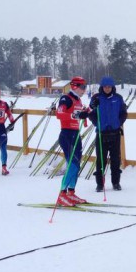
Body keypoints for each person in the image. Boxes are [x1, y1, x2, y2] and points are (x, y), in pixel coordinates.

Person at [55, 76, 91, 206]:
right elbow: (59, 114)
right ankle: (62, 194)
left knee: (77, 165)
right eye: (82, 87)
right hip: (66, 134)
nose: (84, 90)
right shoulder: (66, 98)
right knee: (73, 164)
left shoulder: (79, 101)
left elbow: (82, 117)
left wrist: (89, 111)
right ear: (74, 86)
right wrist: (77, 115)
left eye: (85, 87)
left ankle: (71, 192)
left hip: (76, 134)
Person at [88, 76, 127, 192]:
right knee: (101, 160)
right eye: (105, 87)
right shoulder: (96, 98)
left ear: (113, 87)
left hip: (115, 133)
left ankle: (116, 182)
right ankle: (100, 184)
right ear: (102, 87)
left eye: (109, 87)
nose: (107, 89)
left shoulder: (118, 98)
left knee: (115, 160)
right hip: (101, 133)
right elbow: (90, 113)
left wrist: (118, 123)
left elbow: (123, 113)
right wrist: (96, 123)